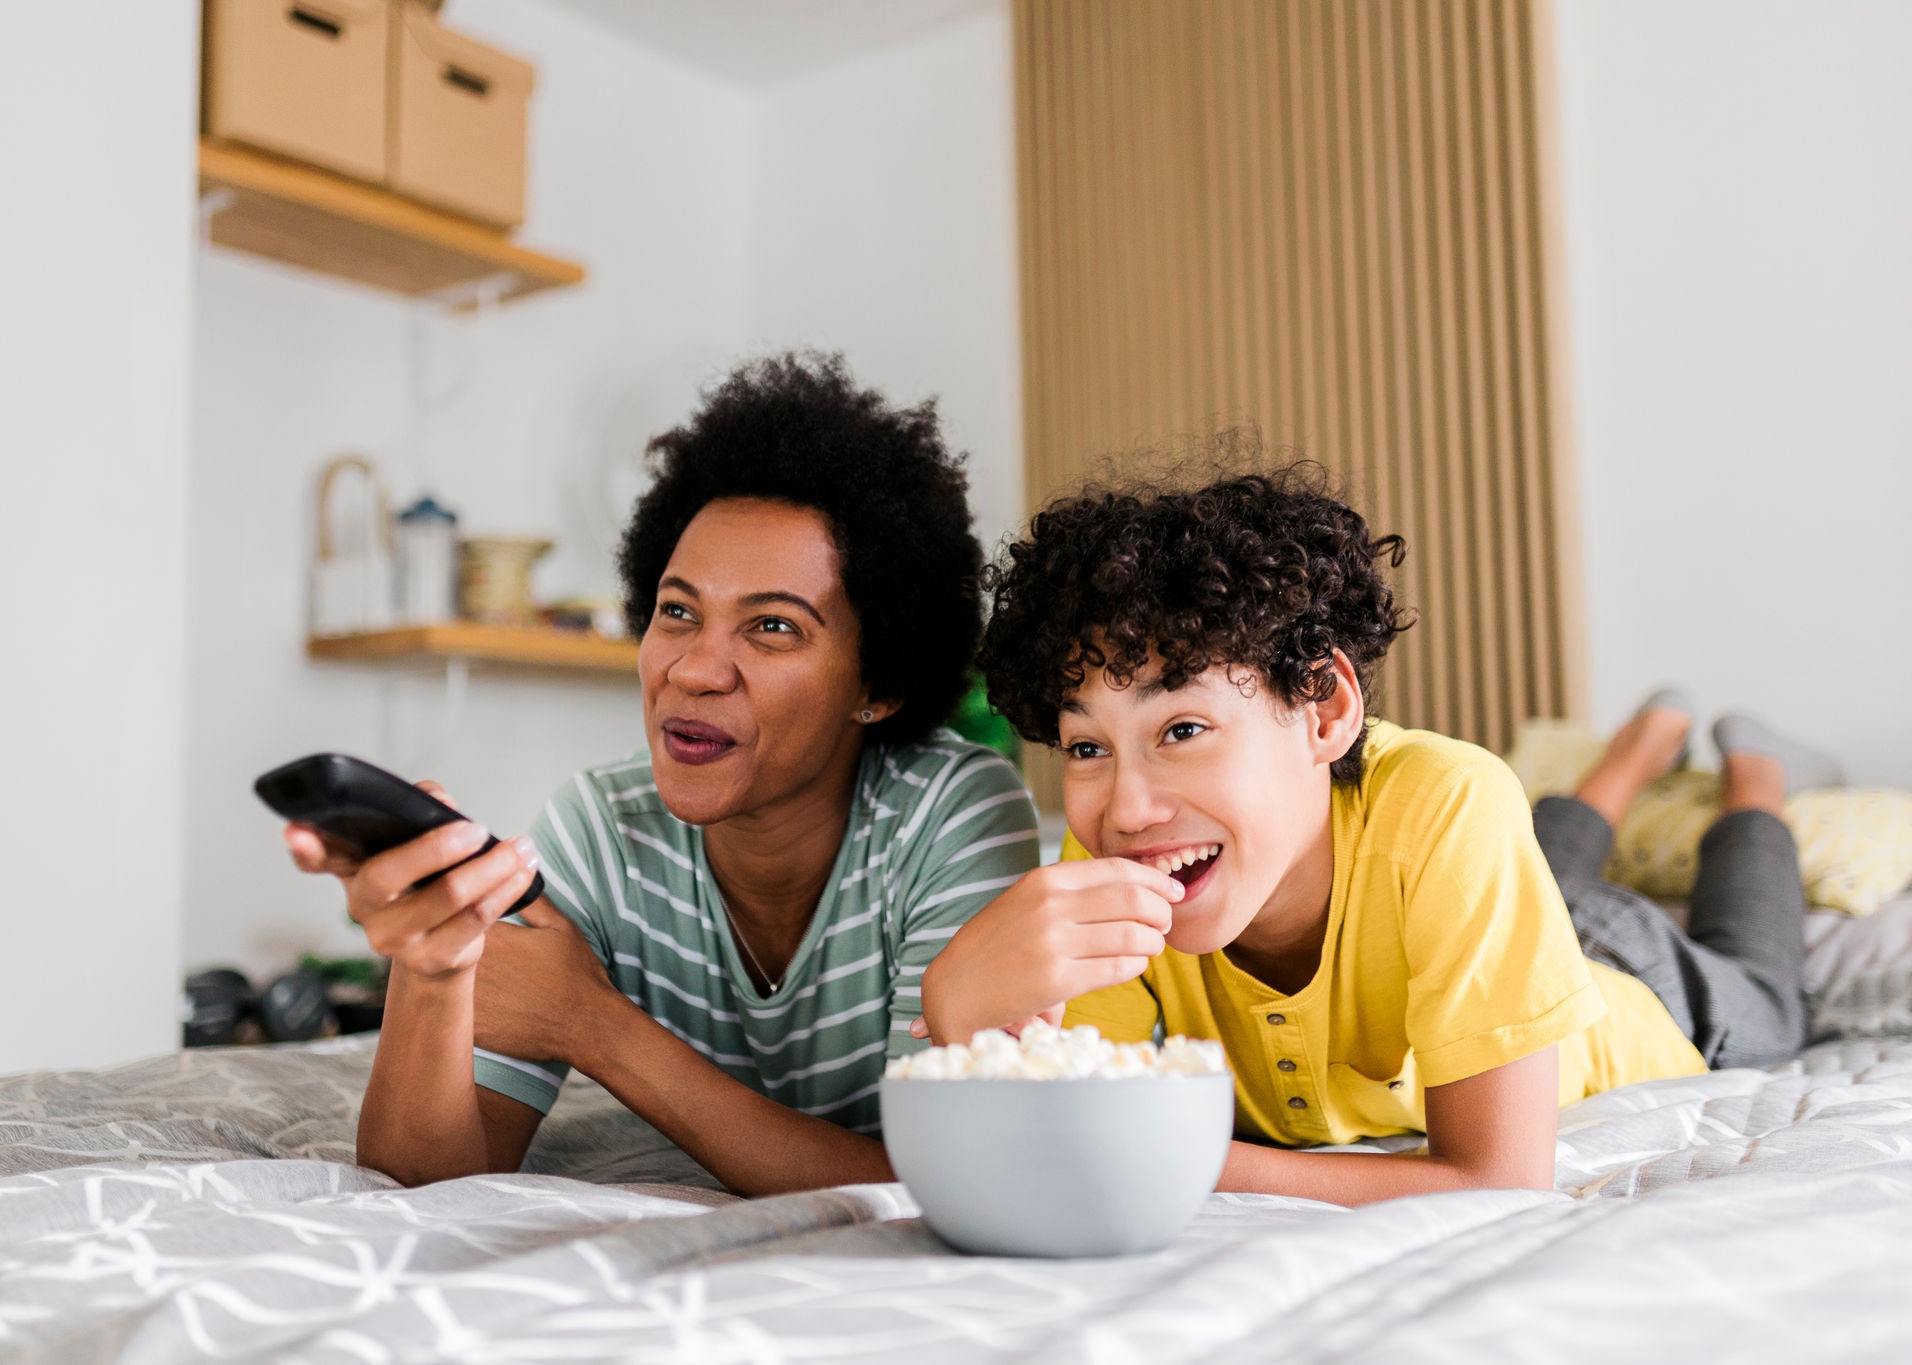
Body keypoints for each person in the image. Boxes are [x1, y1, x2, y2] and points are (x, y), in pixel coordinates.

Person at [920, 458, 1816, 1206]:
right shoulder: (1126, 842)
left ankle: (1751, 780)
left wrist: (1176, 1159)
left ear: (1325, 708)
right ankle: (1628, 758)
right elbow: (1068, 1135)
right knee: (1535, 855)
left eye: (1181, 729)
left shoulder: (1452, 801)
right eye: (1085, 744)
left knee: (1765, 991)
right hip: (1462, 906)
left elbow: (1499, 1177)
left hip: (1621, 975)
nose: (1126, 806)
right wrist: (958, 1010)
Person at [283, 354, 1039, 1193]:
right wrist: (434, 972)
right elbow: (426, 1178)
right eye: (677, 612)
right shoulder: (601, 830)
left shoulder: (956, 814)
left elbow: (939, 1183)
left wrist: (591, 1024)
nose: (694, 669)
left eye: (773, 628)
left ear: (879, 683)